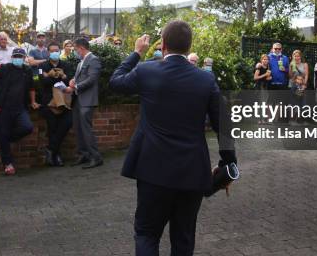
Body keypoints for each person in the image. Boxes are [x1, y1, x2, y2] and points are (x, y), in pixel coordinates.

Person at [109, 20, 237, 256]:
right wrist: (229, 164)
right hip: (192, 172)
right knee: (184, 238)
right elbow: (223, 127)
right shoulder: (206, 80)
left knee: (147, 234)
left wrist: (137, 52)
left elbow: (115, 81)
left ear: (163, 44)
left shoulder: (147, 70)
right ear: (189, 46)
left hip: (152, 170)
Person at [0, 48, 37, 175]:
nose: (18, 58)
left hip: (20, 108)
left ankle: (7, 139)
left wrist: (33, 101)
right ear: (12, 57)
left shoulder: (27, 70)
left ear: (24, 58)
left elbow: (31, 87)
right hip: (3, 107)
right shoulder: (4, 67)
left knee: (27, 127)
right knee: (3, 134)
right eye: (16, 56)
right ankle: (8, 163)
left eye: (20, 57)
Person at [66, 37, 103, 169]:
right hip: (78, 100)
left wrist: (75, 87)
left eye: (75, 49)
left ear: (81, 48)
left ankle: (96, 157)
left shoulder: (94, 60)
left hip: (87, 100)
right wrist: (72, 80)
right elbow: (80, 78)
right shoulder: (80, 62)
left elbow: (92, 79)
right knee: (78, 128)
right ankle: (83, 154)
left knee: (86, 130)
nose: (75, 51)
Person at [38, 42, 74, 167]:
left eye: (56, 50)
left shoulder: (67, 65)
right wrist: (55, 76)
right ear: (48, 52)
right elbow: (43, 81)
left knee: (68, 123)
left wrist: (59, 75)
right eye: (52, 50)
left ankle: (51, 149)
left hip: (64, 101)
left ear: (59, 51)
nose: (54, 53)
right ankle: (56, 155)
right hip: (49, 102)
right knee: (52, 128)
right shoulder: (41, 66)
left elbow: (70, 80)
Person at [268, 43, 290, 122]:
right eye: (275, 48)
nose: (277, 50)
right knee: (270, 102)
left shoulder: (285, 58)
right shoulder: (268, 57)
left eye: (279, 49)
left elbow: (289, 70)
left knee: (280, 103)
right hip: (271, 82)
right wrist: (258, 65)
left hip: (282, 83)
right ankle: (270, 119)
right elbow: (262, 64)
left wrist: (285, 70)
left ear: (281, 49)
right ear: (272, 48)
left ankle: (276, 120)